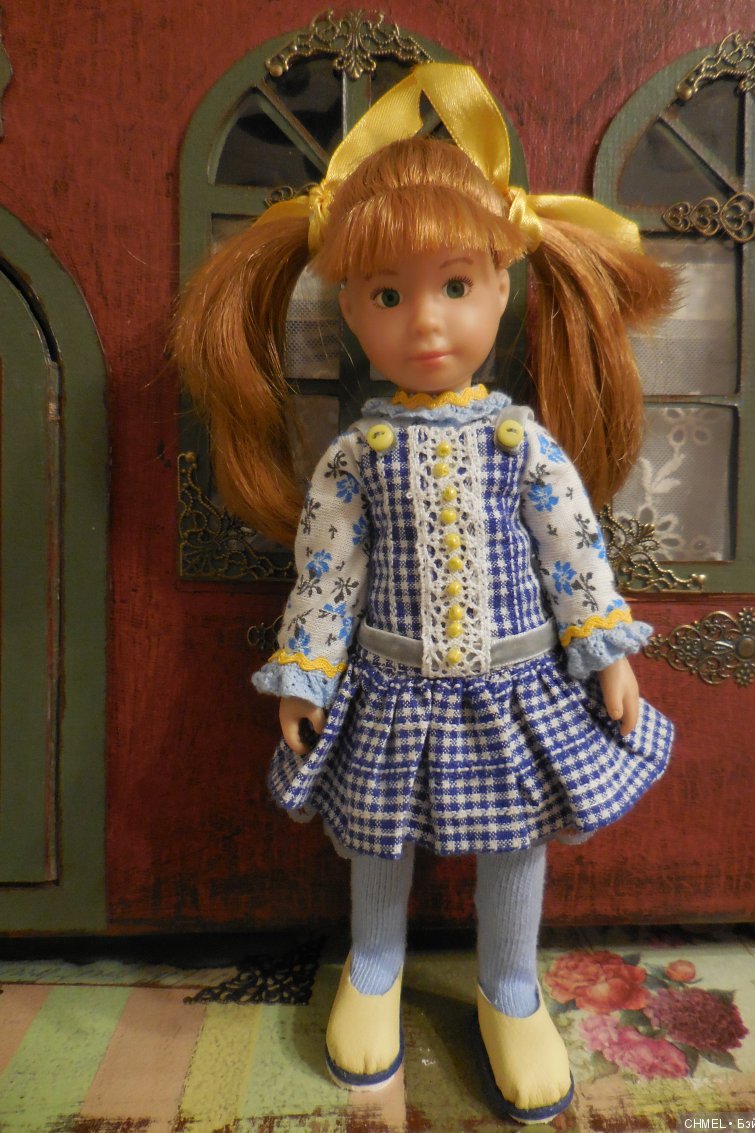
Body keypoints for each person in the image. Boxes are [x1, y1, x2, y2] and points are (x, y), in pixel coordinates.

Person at [173, 62, 675, 1125]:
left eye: (455, 286)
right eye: (388, 295)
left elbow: (574, 552)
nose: (426, 323)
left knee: (518, 838)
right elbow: (328, 572)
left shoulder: (523, 444)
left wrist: (606, 650)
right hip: (392, 686)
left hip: (518, 684)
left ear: (503, 287)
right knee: (376, 834)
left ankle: (510, 986)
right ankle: (373, 965)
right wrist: (306, 671)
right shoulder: (357, 457)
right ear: (350, 309)